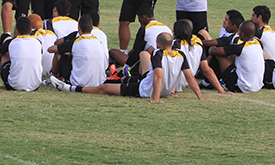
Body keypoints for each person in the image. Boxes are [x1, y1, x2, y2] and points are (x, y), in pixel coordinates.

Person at [55, 32, 208, 103]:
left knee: (104, 87)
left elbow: (158, 76)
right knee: (130, 77)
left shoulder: (157, 54)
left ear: (159, 45)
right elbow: (190, 77)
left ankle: (71, 88)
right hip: (158, 88)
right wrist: (200, 97)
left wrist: (155, 99)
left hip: (144, 90)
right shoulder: (180, 55)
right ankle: (124, 76)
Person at [46, 14, 107, 88]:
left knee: (58, 52)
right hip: (99, 82)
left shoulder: (76, 41)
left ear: (78, 28)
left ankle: (54, 76)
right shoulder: (98, 41)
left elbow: (50, 49)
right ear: (92, 29)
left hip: (78, 82)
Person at [171, 19, 228, 95]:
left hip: (171, 85)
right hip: (184, 83)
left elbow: (173, 67)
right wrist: (221, 90)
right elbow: (207, 70)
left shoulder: (175, 44)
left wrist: (172, 91)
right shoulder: (198, 45)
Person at [207, 21, 265, 93]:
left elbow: (212, 51)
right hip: (257, 86)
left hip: (241, 87)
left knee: (220, 55)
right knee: (231, 55)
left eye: (239, 31)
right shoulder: (258, 44)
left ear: (242, 34)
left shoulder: (240, 47)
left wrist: (212, 47)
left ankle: (207, 82)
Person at [0, 16, 43, 91]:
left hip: (14, 85)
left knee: (4, 56)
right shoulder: (38, 42)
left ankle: (6, 81)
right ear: (31, 30)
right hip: (35, 85)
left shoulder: (11, 42)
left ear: (17, 31)